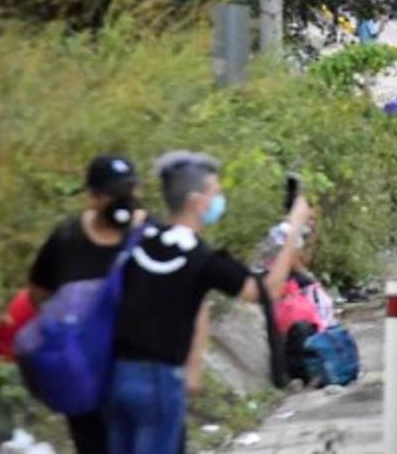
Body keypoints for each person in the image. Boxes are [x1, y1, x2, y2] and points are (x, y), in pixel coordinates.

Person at [107, 152, 310, 454]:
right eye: (215, 193)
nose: (219, 200)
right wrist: (293, 228)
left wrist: (194, 367)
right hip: (160, 382)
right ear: (195, 201)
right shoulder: (200, 259)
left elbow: (193, 304)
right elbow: (267, 289)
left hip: (115, 377)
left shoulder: (139, 236)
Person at [27, 156, 149, 454]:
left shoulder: (150, 235)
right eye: (112, 194)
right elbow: (38, 292)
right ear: (92, 197)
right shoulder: (66, 238)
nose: (122, 202)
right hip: (85, 374)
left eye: (128, 191)